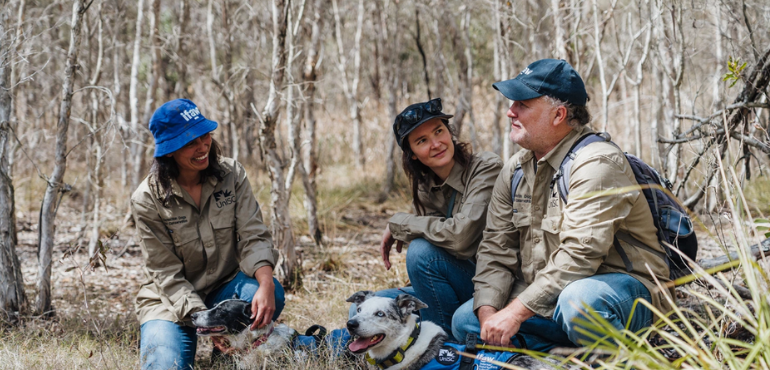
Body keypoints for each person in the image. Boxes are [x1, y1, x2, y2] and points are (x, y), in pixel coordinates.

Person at [451, 59, 673, 350]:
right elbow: (496, 249)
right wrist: (490, 314)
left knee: (580, 303)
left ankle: (618, 358)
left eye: (522, 104)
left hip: (615, 293)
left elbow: (579, 256)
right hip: (553, 295)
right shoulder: (516, 170)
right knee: (465, 321)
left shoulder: (597, 162)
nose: (510, 112)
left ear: (559, 114)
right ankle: (567, 356)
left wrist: (516, 313)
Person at [132, 99, 284, 369]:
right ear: (169, 151)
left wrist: (266, 283)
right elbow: (165, 272)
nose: (203, 148)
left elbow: (253, 235)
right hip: (169, 302)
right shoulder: (147, 199)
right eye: (191, 143)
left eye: (205, 137)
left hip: (224, 287)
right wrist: (207, 321)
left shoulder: (232, 174)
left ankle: (228, 360)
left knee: (270, 293)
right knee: (166, 366)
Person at [363, 97, 502, 340]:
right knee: (369, 305)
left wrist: (400, 223)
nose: (436, 144)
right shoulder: (426, 186)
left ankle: (440, 346)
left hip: (491, 286)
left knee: (420, 252)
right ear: (413, 154)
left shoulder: (486, 168)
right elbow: (438, 253)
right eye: (422, 141)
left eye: (439, 131)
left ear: (450, 132)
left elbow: (461, 238)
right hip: (458, 283)